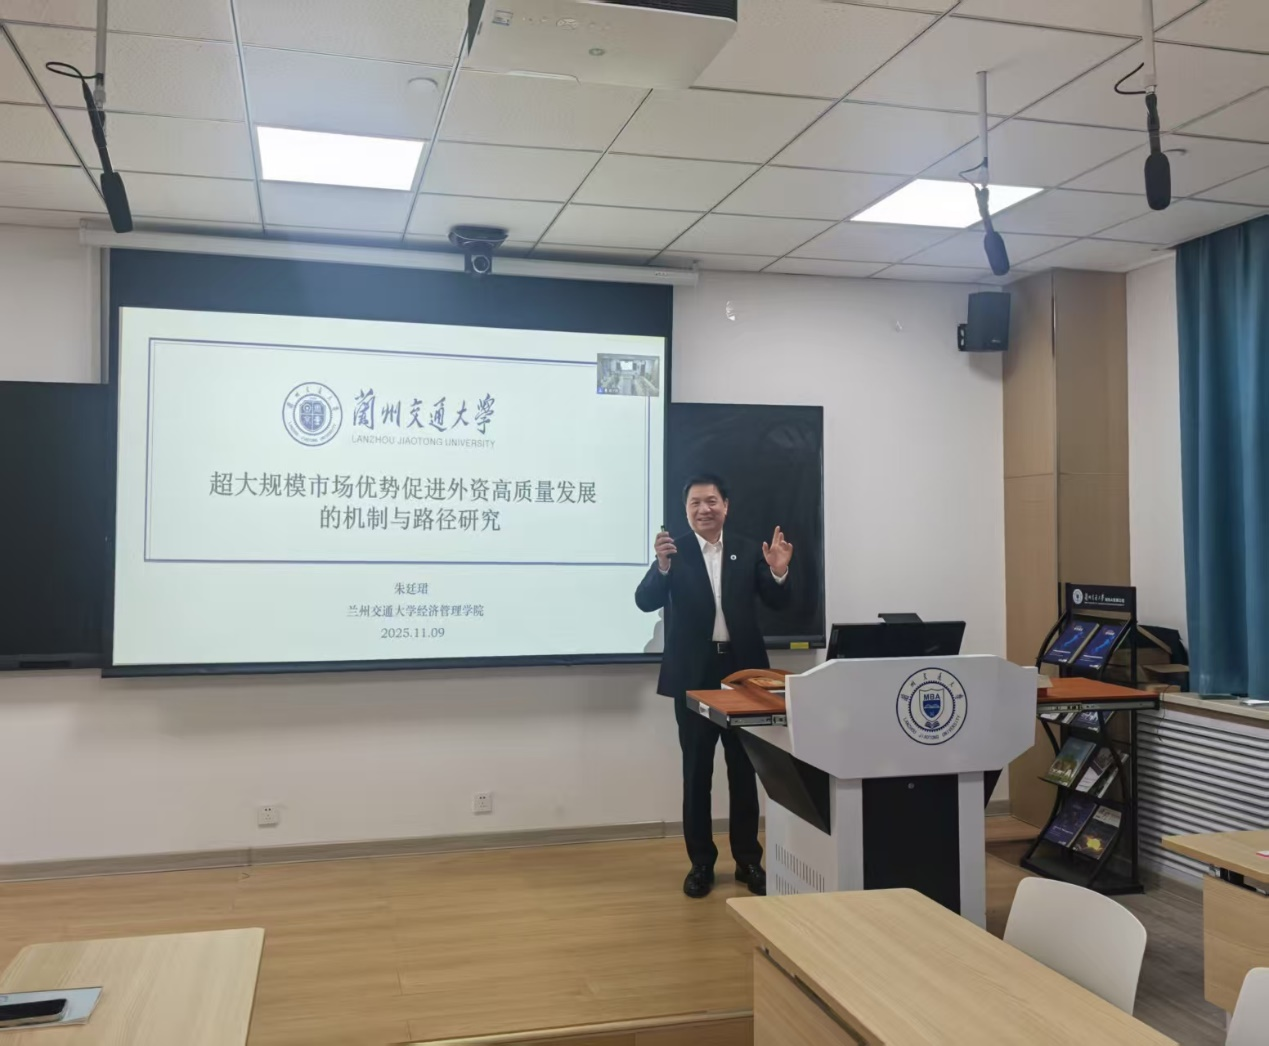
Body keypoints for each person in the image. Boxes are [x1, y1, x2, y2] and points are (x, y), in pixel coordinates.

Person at [635, 473, 793, 898]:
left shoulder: (748, 549)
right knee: (696, 773)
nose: (704, 509)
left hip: (742, 677)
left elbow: (778, 602)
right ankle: (701, 864)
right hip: (694, 676)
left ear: (726, 505)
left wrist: (778, 572)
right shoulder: (674, 552)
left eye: (711, 501)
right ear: (686, 510)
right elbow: (644, 600)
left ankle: (748, 861)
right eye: (695, 503)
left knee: (744, 771)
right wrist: (661, 567)